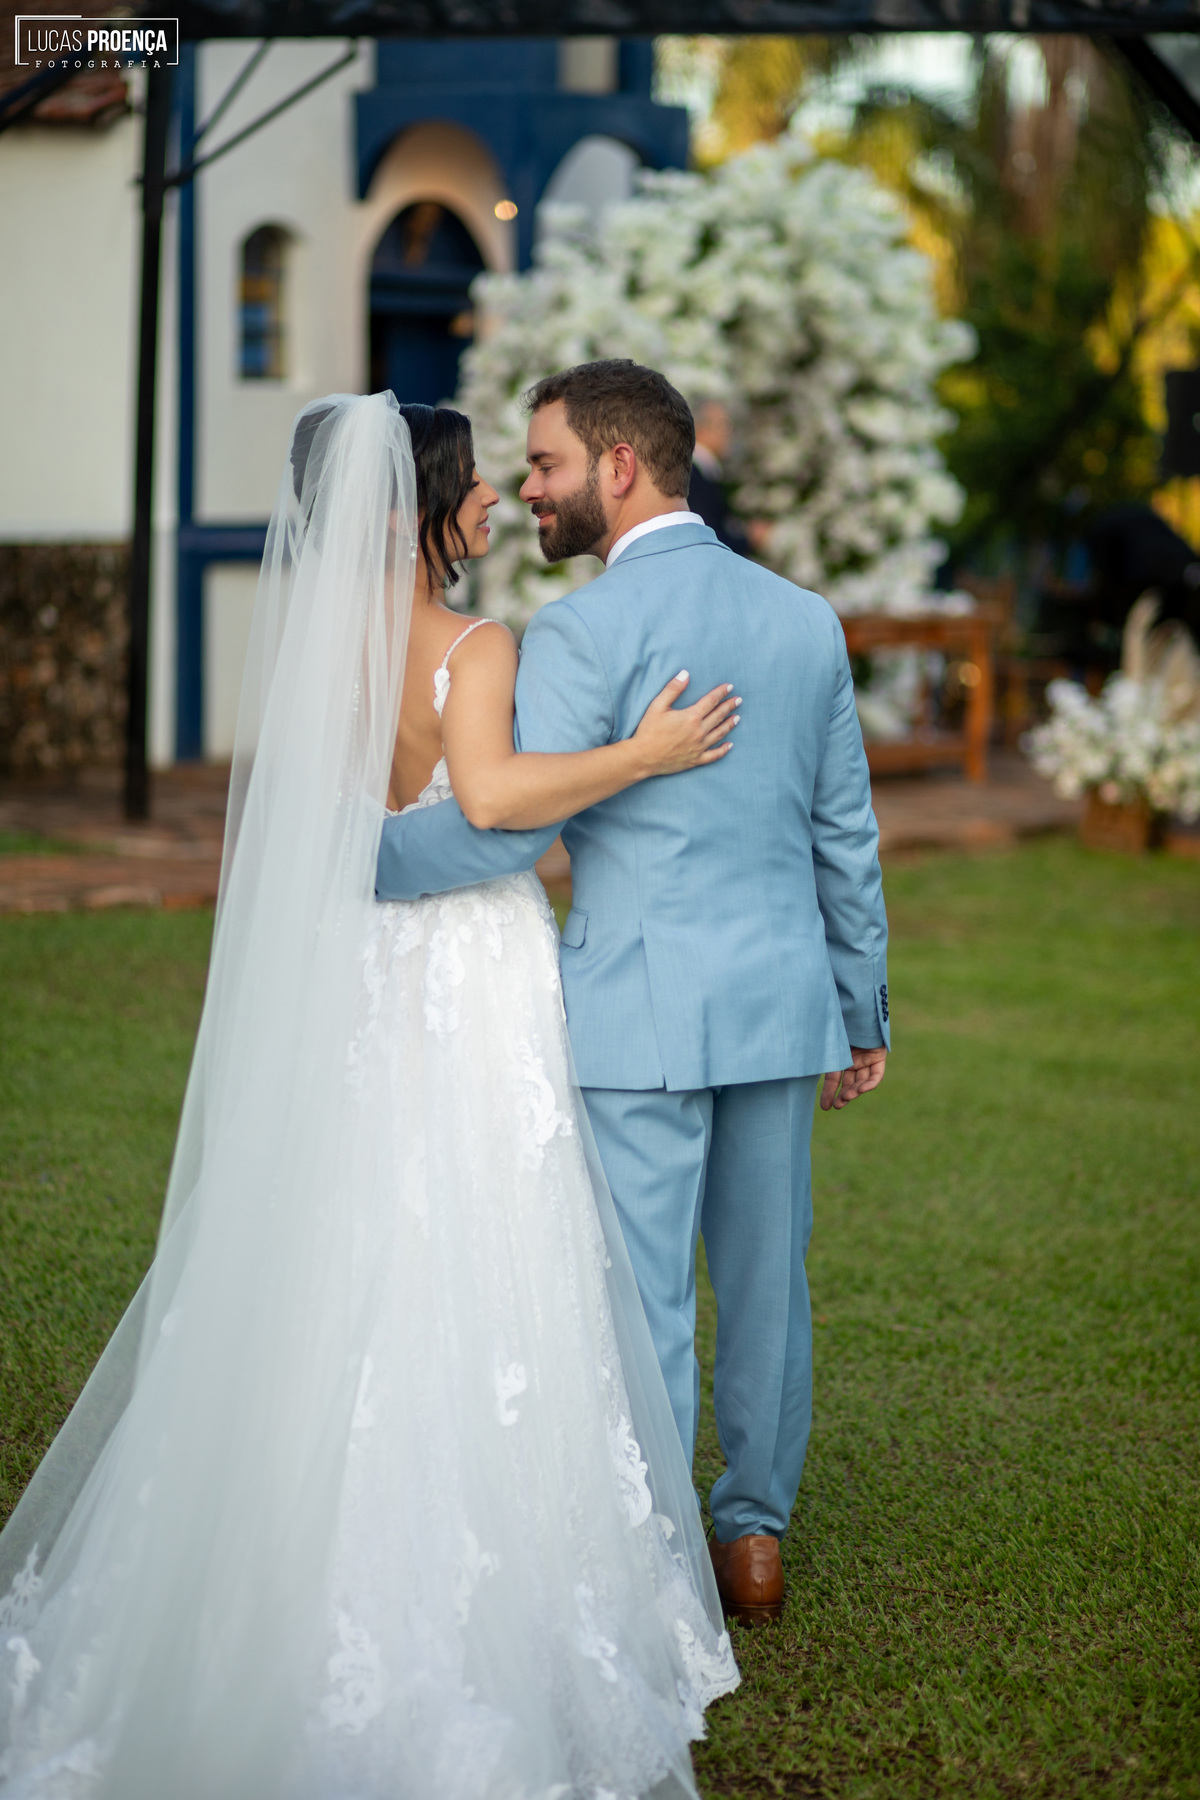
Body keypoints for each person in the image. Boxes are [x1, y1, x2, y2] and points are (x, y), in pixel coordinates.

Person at [0, 393, 738, 1800]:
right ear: (416, 509)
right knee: (477, 1230)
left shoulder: (313, 654)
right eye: (476, 481)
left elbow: (339, 829)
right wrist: (639, 759)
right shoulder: (478, 644)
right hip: (469, 970)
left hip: (359, 971)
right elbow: (493, 802)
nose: (495, 500)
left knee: (342, 1223)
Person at [376, 360, 891, 1629]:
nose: (529, 490)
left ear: (618, 466)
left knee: (643, 1293)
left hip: (635, 1011)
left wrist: (353, 859)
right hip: (782, 1007)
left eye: (546, 464)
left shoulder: (580, 632)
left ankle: (658, 1553)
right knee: (769, 1286)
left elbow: (507, 827)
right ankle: (754, 1538)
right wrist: (860, 1007)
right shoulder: (804, 619)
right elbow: (844, 832)